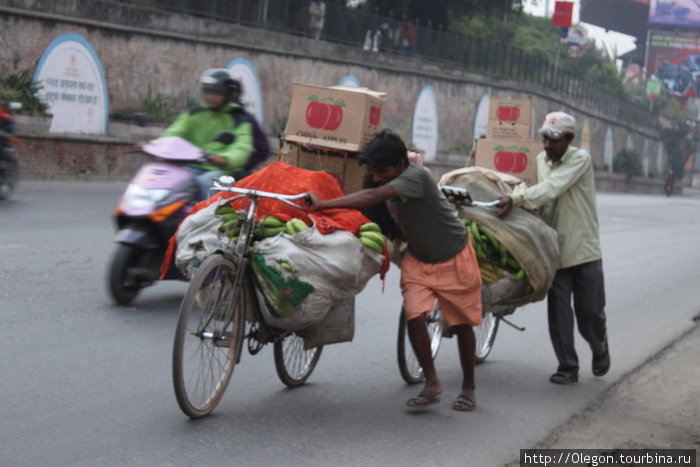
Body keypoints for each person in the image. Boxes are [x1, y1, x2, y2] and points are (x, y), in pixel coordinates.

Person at [306, 129, 483, 411]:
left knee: (461, 325)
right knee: (414, 317)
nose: (377, 176)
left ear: (401, 165)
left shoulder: (416, 176)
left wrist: (323, 204)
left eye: (383, 170)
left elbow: (373, 195)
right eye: (373, 171)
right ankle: (432, 383)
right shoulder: (380, 177)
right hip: (419, 259)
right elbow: (369, 202)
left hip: (454, 257)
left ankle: (468, 388)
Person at [495, 111, 611, 385]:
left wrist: (517, 198)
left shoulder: (580, 160)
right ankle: (567, 366)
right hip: (555, 250)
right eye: (545, 138)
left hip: (583, 249)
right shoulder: (540, 160)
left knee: (590, 313)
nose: (548, 145)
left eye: (554, 140)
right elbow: (543, 199)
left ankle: (600, 346)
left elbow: (552, 188)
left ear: (569, 139)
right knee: (559, 312)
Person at [155, 68, 254, 200]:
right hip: (190, 166)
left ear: (228, 94)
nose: (210, 96)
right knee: (167, 177)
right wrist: (155, 145)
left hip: (219, 171)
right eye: (207, 91)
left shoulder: (238, 119)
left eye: (216, 92)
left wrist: (225, 158)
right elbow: (175, 132)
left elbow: (241, 147)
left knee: (205, 182)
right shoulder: (194, 113)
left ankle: (205, 217)